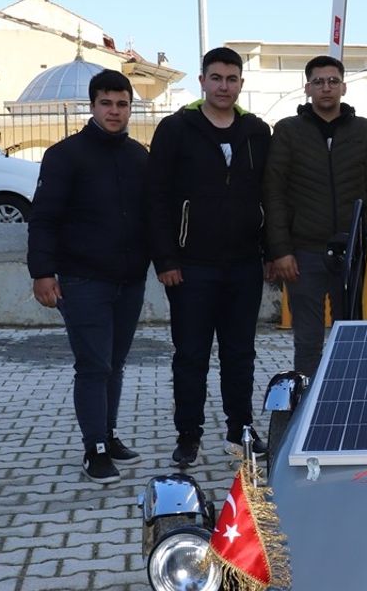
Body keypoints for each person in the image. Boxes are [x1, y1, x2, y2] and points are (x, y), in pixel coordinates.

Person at [146, 47, 272, 467]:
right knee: (191, 354)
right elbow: (157, 199)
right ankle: (189, 434)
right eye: (216, 78)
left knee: (240, 353)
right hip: (190, 266)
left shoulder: (257, 131)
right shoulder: (176, 129)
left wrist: (269, 251)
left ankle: (241, 430)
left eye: (232, 78)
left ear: (240, 83)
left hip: (243, 264)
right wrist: (165, 258)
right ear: (202, 82)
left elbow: (269, 196)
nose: (224, 86)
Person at [27, 69, 149, 484]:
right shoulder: (65, 156)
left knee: (114, 363)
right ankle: (94, 449)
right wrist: (42, 273)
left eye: (122, 104)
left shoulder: (139, 156)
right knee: (93, 365)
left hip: (129, 280)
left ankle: (109, 435)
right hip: (82, 281)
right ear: (92, 106)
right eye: (106, 103)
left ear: (130, 107)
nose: (114, 111)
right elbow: (43, 219)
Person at [265, 55, 367, 376]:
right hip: (304, 254)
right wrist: (281, 250)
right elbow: (274, 193)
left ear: (344, 87)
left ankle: (352, 406)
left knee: (353, 337)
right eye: (318, 82)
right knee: (308, 341)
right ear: (307, 88)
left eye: (333, 81)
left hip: (353, 253)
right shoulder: (288, 131)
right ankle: (308, 411)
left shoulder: (365, 132)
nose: (326, 88)